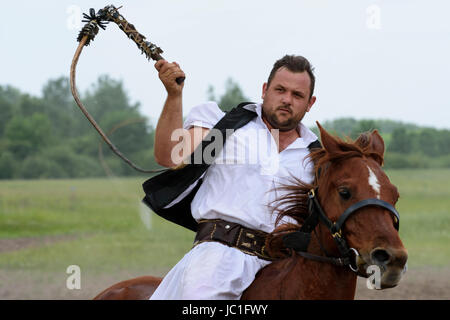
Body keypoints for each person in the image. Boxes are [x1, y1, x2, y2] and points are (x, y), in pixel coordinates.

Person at [149, 55, 318, 299]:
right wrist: (174, 96)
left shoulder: (315, 156)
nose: (286, 100)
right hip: (218, 259)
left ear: (310, 103)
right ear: (264, 90)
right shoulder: (225, 126)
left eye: (297, 95)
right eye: (280, 90)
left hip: (284, 268)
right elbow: (169, 156)